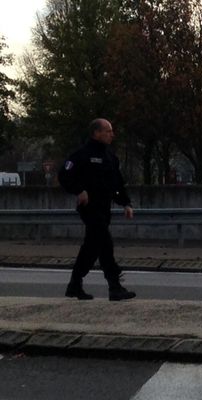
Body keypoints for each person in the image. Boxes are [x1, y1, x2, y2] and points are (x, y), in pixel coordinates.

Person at [58, 118, 136, 301]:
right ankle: (114, 287)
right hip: (89, 208)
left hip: (104, 207)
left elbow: (117, 184)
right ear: (96, 133)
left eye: (111, 131)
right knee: (105, 243)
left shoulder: (110, 157)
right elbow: (64, 175)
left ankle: (74, 284)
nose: (112, 134)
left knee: (92, 247)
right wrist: (79, 190)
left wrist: (126, 203)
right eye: (108, 131)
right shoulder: (81, 154)